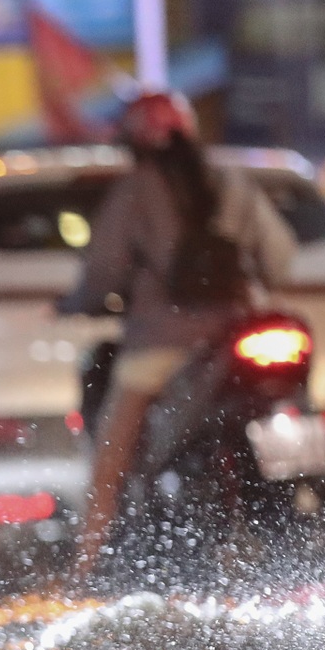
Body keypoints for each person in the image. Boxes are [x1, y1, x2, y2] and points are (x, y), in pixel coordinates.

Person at [58, 90, 297, 583]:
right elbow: (280, 259)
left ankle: (86, 563)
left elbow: (102, 272)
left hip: (158, 347)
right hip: (229, 345)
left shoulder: (136, 190)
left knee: (112, 451)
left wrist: (75, 303)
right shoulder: (232, 185)